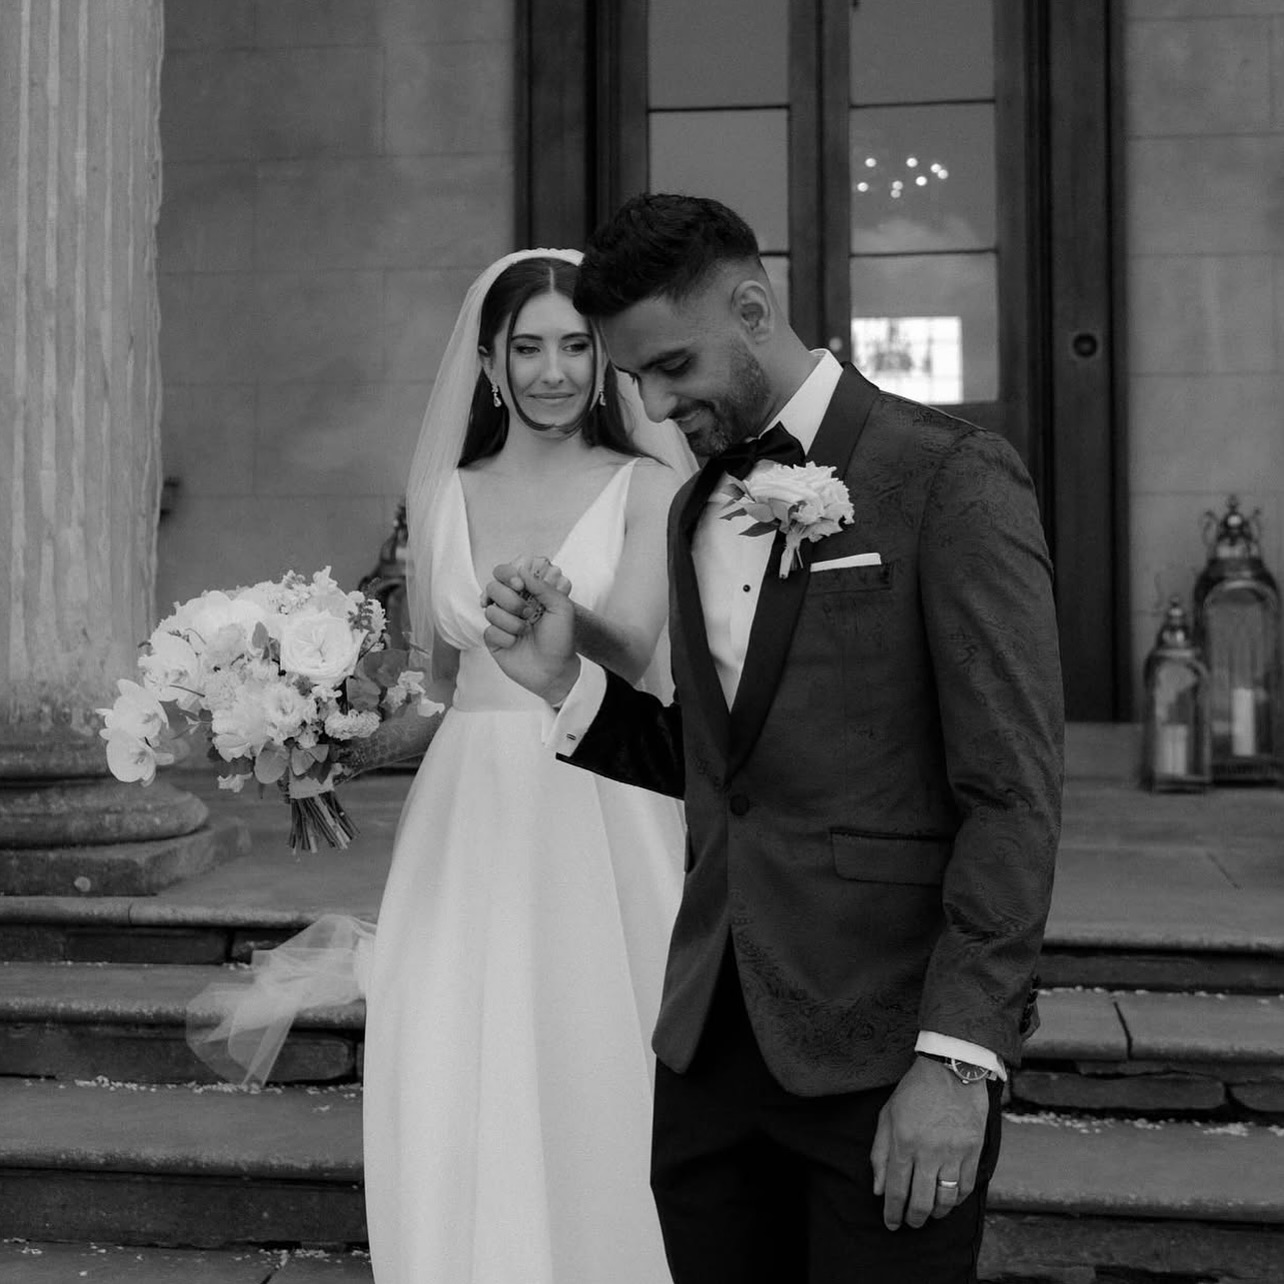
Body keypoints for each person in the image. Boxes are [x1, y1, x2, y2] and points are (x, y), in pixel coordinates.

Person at [482, 196, 1064, 1284]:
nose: (655, 405)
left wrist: (960, 1059)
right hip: (710, 1054)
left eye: (671, 366)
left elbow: (1013, 793)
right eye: (634, 383)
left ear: (752, 308)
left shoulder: (952, 476)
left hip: (886, 1053)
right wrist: (565, 680)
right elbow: (724, 775)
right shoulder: (694, 503)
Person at [193, 249, 694, 1284]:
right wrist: (317, 744)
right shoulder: (444, 498)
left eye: (574, 345)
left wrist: (564, 626)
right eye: (529, 347)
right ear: (490, 360)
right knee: (466, 1051)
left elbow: (642, 653)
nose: (552, 370)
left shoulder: (648, 485)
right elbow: (440, 691)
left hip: (605, 797)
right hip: (472, 810)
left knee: (606, 1045)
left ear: (602, 361)